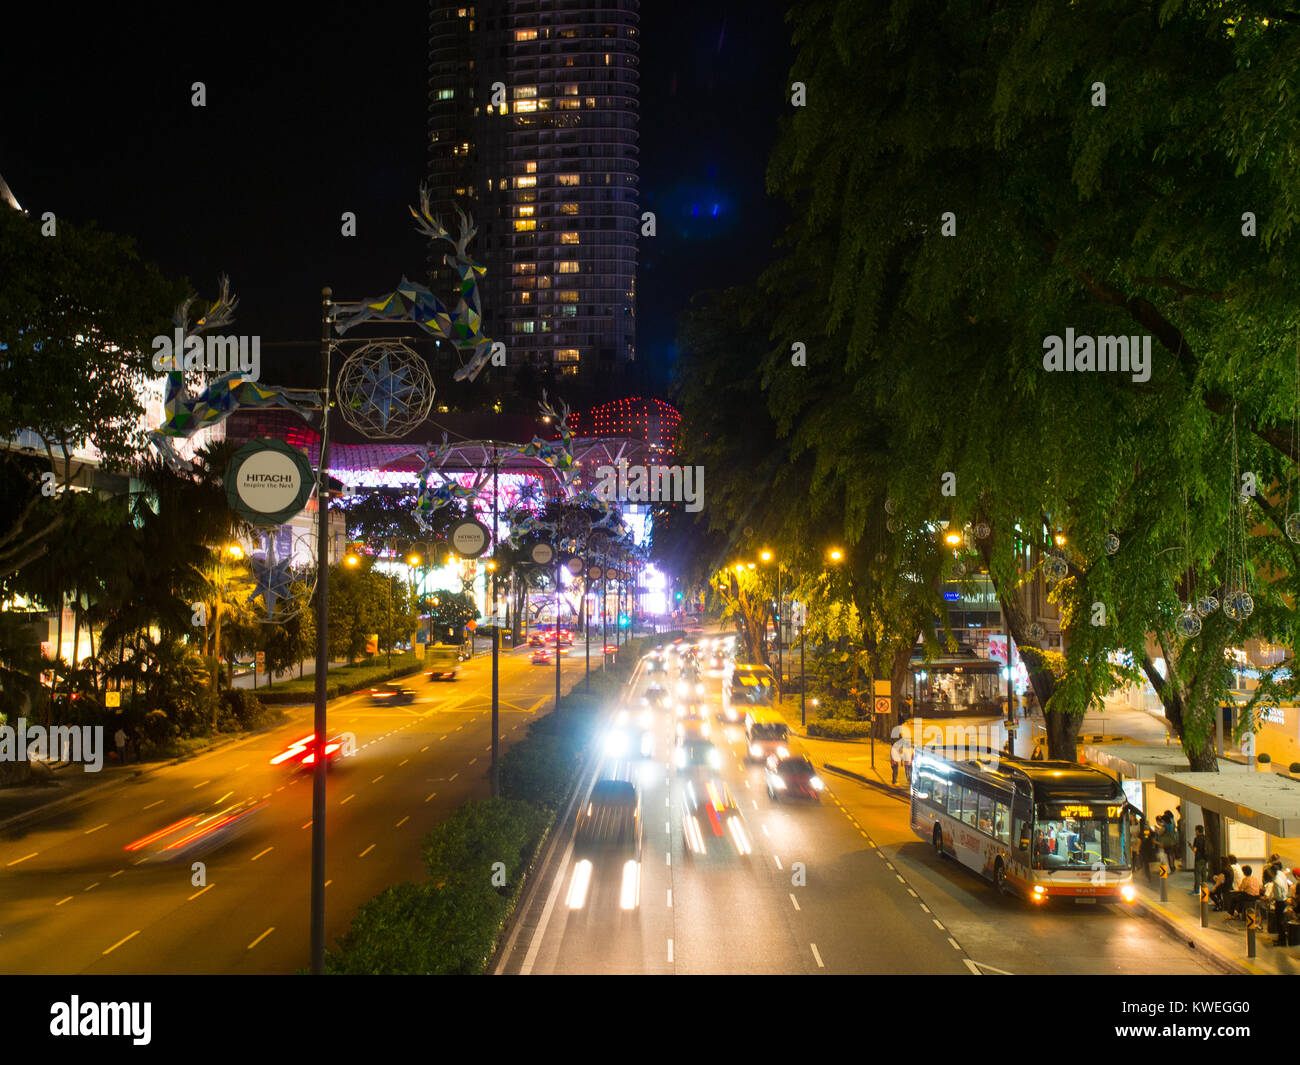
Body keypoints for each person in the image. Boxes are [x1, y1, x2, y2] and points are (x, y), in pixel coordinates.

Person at [1190, 824, 1210, 895]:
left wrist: (1190, 846)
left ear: (1198, 831)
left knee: (1197, 874)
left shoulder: (1197, 839)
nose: (1195, 832)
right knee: (1204, 874)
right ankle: (1204, 889)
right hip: (1205, 858)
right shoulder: (1205, 838)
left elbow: (1195, 850)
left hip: (1198, 858)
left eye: (1196, 830)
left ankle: (1196, 890)